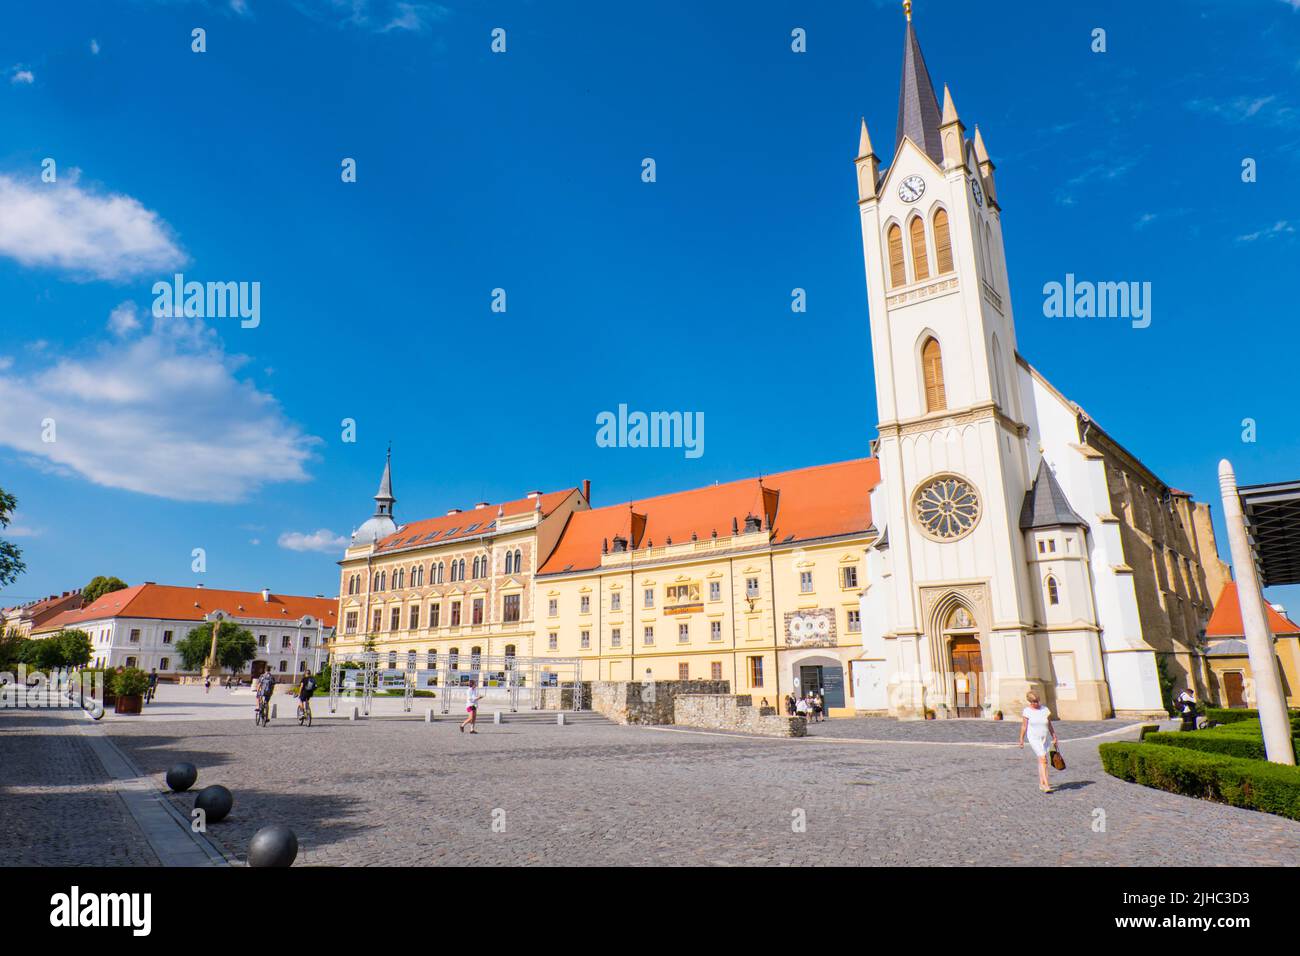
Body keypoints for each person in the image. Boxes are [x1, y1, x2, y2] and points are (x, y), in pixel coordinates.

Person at [1018, 690, 1060, 793]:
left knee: (1042, 760)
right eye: (1034, 701)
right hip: (1034, 738)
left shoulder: (1045, 710)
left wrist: (1054, 736)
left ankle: (1041, 783)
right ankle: (1046, 784)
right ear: (1030, 702)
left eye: (1037, 701)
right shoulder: (1027, 711)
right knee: (1043, 759)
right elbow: (1024, 726)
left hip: (1044, 738)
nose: (1036, 703)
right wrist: (1021, 739)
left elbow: (1049, 724)